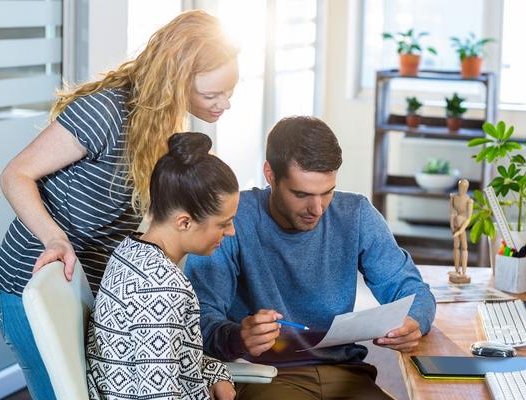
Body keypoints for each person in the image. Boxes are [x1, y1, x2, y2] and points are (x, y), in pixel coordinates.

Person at [0, 10, 239, 399]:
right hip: (32, 281)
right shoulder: (103, 112)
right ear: (175, 80)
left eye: (229, 92)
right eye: (211, 95)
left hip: (92, 288)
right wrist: (55, 239)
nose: (224, 104)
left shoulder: (167, 126)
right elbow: (14, 175)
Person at [185, 116, 436, 400]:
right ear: (270, 175)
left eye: (326, 192)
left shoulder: (355, 214)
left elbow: (413, 290)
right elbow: (197, 316)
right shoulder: (233, 220)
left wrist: (414, 322)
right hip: (266, 376)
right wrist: (237, 336)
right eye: (301, 194)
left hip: (346, 372)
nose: (316, 208)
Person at [86, 132, 238, 400]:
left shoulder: (129, 251)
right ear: (184, 222)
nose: (231, 232)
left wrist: (215, 374)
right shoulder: (162, 290)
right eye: (223, 223)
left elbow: (167, 357)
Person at [449, 178, 473, 283]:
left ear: (467, 187)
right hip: (455, 227)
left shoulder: (469, 200)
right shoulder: (453, 197)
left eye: (464, 187)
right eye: (460, 186)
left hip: (462, 227)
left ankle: (463, 271)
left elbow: (469, 218)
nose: (462, 188)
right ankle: (456, 270)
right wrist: (452, 227)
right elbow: (451, 213)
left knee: (464, 248)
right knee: (455, 247)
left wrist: (460, 230)